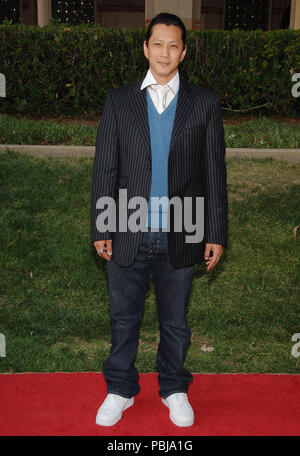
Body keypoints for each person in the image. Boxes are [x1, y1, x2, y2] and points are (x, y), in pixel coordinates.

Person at [91, 12, 228, 427]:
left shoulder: (203, 103)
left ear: (183, 52)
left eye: (174, 45)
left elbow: (213, 173)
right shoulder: (119, 100)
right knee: (123, 316)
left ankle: (173, 388)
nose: (165, 52)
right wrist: (102, 224)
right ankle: (120, 388)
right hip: (127, 223)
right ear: (145, 48)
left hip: (183, 226)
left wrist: (215, 231)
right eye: (158, 43)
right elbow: (105, 169)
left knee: (174, 320)